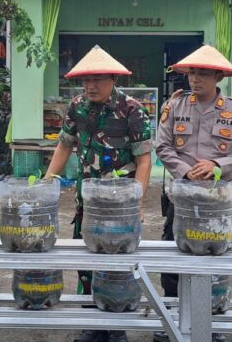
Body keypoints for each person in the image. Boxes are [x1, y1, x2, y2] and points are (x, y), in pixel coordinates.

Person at [44, 45, 152, 342]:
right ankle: (90, 322)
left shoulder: (133, 109)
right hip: (86, 202)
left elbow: (144, 159)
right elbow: (65, 144)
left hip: (120, 206)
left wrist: (138, 203)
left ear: (113, 80)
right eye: (86, 80)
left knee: (118, 263)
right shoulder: (76, 106)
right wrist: (48, 179)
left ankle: (116, 325)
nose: (91, 85)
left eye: (98, 79)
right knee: (86, 262)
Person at [154, 45, 232, 342]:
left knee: (216, 260)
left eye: (203, 73)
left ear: (218, 75)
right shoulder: (174, 107)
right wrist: (185, 171)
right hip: (181, 199)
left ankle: (212, 322)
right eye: (192, 73)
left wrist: (216, 164)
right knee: (174, 258)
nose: (195, 79)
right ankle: (171, 319)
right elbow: (163, 146)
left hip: (218, 202)